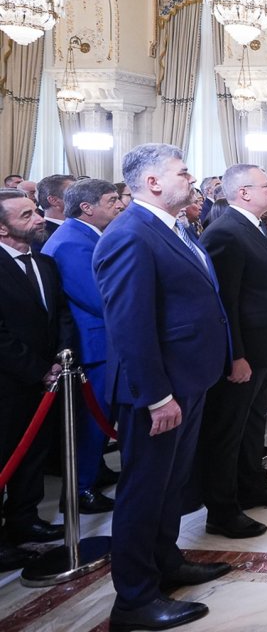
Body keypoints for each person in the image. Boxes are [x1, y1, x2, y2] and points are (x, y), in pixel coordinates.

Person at [93, 144, 232, 631]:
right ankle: (134, 599)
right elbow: (129, 326)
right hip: (157, 390)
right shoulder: (129, 234)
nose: (191, 179)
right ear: (152, 182)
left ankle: (166, 562)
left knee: (171, 484)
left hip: (188, 378)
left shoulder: (173, 226)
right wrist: (156, 396)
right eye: (182, 172)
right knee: (144, 490)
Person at [196, 164, 267, 541]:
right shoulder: (226, 232)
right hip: (246, 352)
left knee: (254, 421)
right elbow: (225, 301)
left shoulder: (253, 226)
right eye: (265, 185)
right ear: (243, 192)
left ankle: (253, 485)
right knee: (228, 430)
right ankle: (222, 510)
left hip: (265, 346)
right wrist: (235, 355)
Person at [0, 189, 74, 573]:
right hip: (9, 384)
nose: (39, 218)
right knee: (5, 456)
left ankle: (25, 520)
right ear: (2, 228)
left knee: (33, 454)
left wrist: (61, 356)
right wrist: (36, 369)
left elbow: (61, 313)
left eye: (36, 211)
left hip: (48, 380)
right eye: (26, 215)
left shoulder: (45, 262)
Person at [41, 178, 122, 516]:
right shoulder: (73, 242)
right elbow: (98, 297)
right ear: (87, 208)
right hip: (94, 345)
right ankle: (81, 490)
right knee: (91, 421)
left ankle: (92, 476)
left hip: (101, 342)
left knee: (98, 421)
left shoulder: (84, 235)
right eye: (111, 200)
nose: (120, 205)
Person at [33, 173, 75, 250]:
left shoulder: (81, 227)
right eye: (74, 193)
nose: (80, 197)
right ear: (54, 200)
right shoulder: (41, 236)